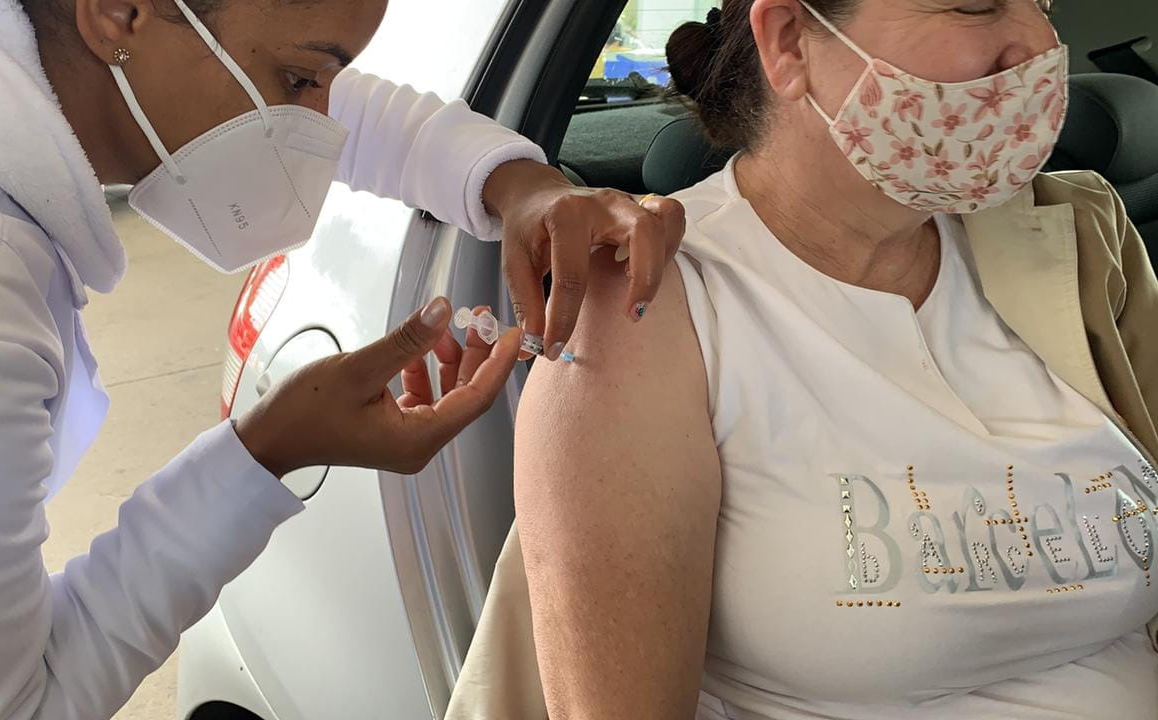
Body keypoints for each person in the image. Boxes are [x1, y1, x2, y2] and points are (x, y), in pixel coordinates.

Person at [0, 0, 687, 717]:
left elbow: (371, 120)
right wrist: (263, 452)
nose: (325, 127)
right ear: (119, 13)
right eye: (302, 80)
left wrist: (524, 187)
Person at [447, 0, 1158, 718]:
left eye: (1043, 2)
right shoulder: (647, 304)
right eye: (974, 3)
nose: (1039, 45)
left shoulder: (1082, 240)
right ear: (789, 41)